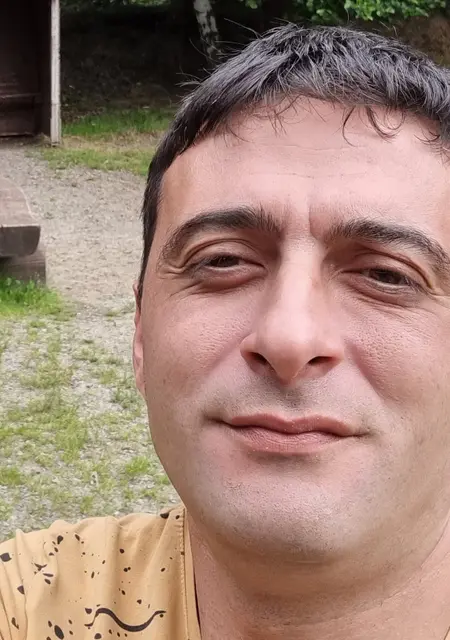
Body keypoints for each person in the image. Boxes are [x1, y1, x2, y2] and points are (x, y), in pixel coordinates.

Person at [1, 22, 450, 640]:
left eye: (385, 274)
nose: (289, 339)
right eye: (222, 261)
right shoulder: (29, 602)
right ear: (140, 333)